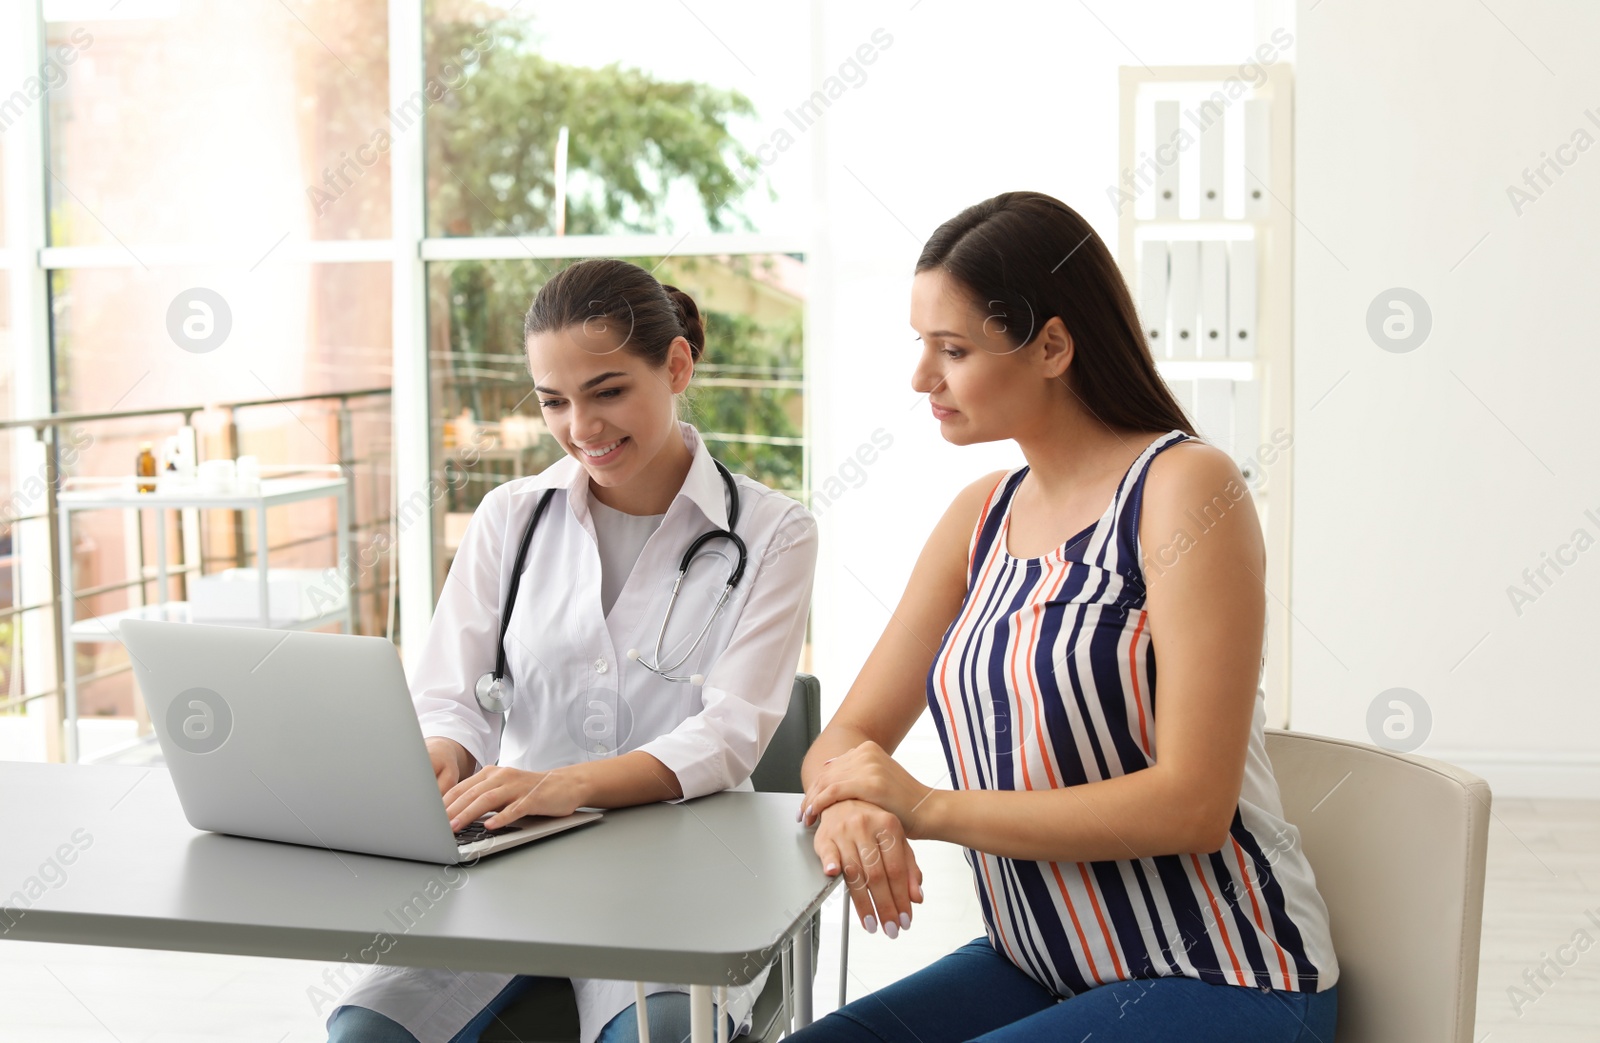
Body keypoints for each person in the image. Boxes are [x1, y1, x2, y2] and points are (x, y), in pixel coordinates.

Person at [791, 192, 1339, 1041]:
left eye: (954, 348)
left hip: (1228, 973)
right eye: (920, 345)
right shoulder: (980, 517)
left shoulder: (1185, 490)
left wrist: (924, 806)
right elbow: (850, 732)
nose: (921, 378)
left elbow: (1191, 803)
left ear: (1052, 345)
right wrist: (849, 806)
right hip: (1041, 965)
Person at [327, 259, 818, 1043]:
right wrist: (444, 756)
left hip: (676, 870)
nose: (581, 428)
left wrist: (565, 784)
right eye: (555, 400)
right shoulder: (509, 517)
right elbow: (450, 694)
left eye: (609, 390)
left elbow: (728, 736)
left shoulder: (772, 533)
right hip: (508, 857)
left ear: (678, 366)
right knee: (365, 1034)